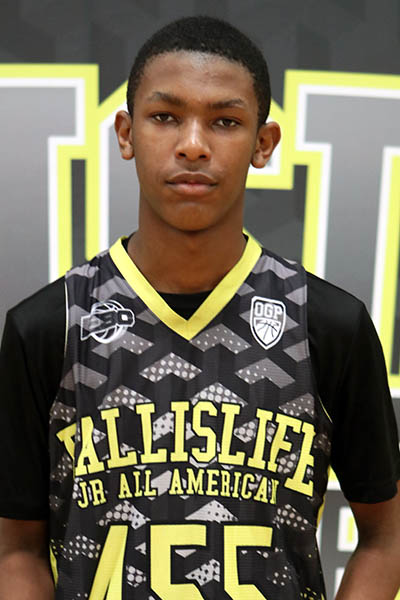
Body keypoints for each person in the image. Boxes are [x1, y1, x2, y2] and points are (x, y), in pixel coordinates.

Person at [0, 15, 399, 600]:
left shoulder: (326, 324)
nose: (192, 144)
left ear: (263, 144)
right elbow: (16, 550)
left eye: (225, 121)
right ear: (126, 133)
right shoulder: (49, 326)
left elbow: (387, 537)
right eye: (165, 116)